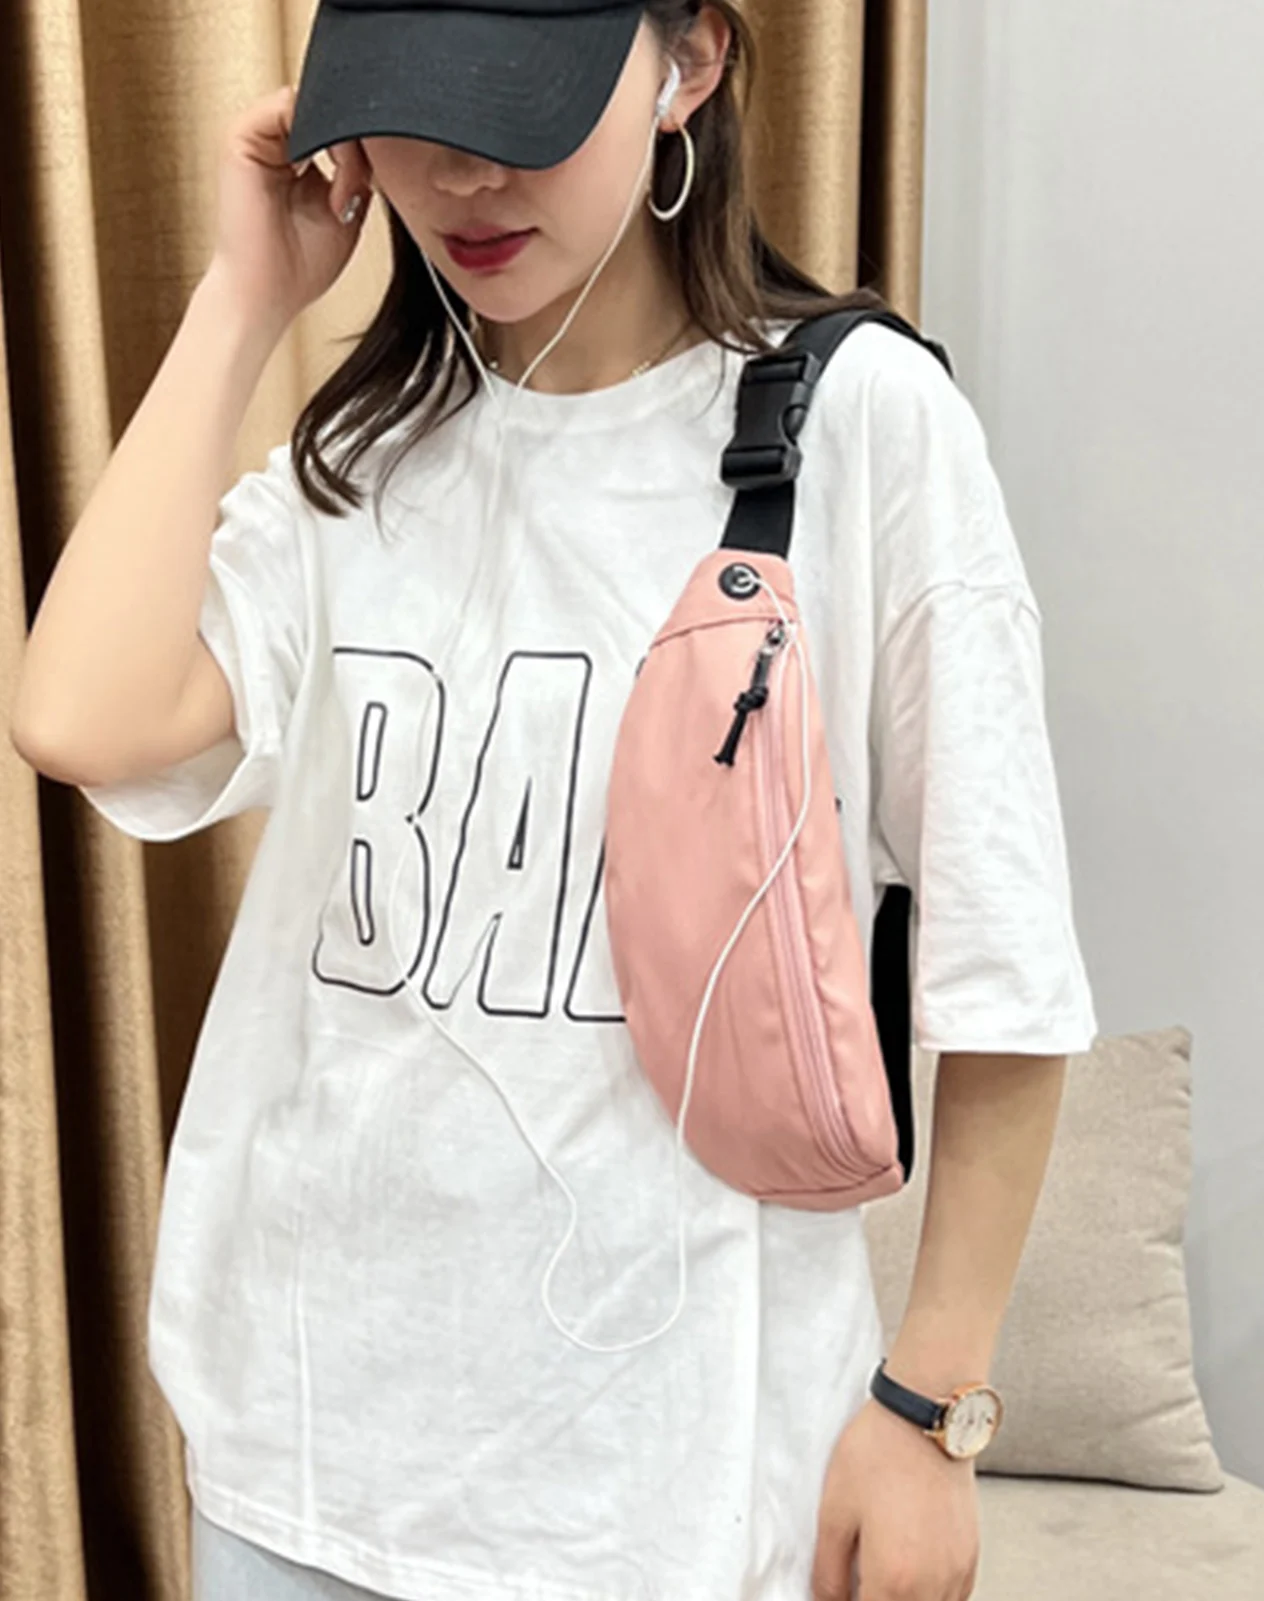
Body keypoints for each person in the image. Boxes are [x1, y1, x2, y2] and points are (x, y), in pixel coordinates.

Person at [9, 2, 1099, 1598]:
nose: (459, 174)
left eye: (517, 104)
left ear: (688, 66)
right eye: (411, 111)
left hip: (659, 1494)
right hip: (298, 1447)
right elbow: (80, 719)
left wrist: (932, 1406)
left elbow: (1004, 965)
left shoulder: (859, 425)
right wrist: (243, 297)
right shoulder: (366, 456)